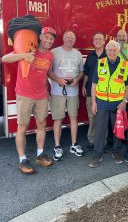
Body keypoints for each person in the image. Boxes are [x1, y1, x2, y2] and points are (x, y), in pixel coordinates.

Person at [2, 26, 56, 174]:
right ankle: (22, 160)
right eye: (46, 37)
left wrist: (48, 90)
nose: (48, 40)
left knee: (41, 124)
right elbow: (5, 59)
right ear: (40, 37)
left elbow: (45, 74)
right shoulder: (29, 48)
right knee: (22, 127)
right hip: (25, 94)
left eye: (51, 38)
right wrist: (24, 55)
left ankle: (40, 154)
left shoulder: (50, 56)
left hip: (41, 96)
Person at [88, 40, 128, 168]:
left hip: (118, 104)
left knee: (117, 129)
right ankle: (97, 154)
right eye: (109, 50)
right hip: (101, 103)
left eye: (114, 50)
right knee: (100, 130)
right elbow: (94, 84)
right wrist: (93, 102)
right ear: (106, 51)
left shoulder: (124, 65)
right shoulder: (100, 63)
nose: (112, 52)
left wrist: (125, 101)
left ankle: (116, 152)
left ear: (118, 51)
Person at [49, 31, 84, 161]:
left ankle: (74, 144)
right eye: (67, 37)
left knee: (73, 117)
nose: (70, 39)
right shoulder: (54, 52)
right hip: (58, 91)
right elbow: (49, 71)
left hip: (73, 91)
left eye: (72, 38)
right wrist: (58, 80)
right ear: (63, 38)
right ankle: (57, 146)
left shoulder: (78, 54)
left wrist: (77, 80)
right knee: (58, 119)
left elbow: (81, 72)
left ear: (74, 40)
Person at [82, 32, 106, 151]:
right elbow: (86, 72)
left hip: (104, 92)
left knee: (102, 118)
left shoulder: (108, 55)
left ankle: (103, 141)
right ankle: (91, 141)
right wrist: (83, 85)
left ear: (104, 41)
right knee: (91, 118)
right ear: (93, 41)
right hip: (90, 91)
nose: (97, 41)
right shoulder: (90, 56)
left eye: (100, 39)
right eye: (95, 39)